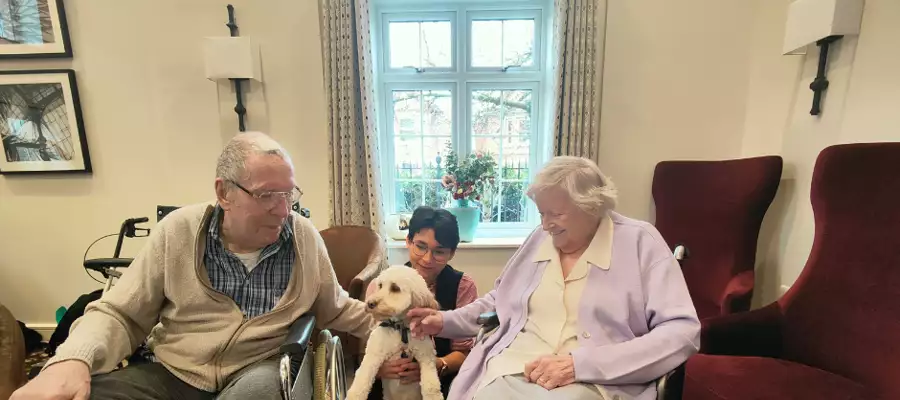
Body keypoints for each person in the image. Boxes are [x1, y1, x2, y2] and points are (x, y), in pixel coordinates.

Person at [11, 132, 375, 400]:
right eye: (267, 195)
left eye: (288, 194)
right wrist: (73, 359)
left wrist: (398, 327)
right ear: (223, 192)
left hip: (256, 368)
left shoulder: (303, 238)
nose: (283, 209)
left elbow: (337, 307)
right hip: (173, 370)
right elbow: (119, 313)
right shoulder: (179, 231)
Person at [407, 156, 701, 400]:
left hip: (595, 380)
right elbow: (499, 304)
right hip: (514, 367)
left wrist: (581, 364)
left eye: (555, 214)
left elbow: (681, 332)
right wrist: (444, 321)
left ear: (592, 206)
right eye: (540, 214)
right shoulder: (539, 238)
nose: (545, 225)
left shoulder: (640, 242)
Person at [365, 206, 478, 398]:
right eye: (421, 246)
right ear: (408, 241)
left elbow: (465, 352)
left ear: (451, 253)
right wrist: (380, 369)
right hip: (389, 385)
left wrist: (437, 365)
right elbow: (368, 349)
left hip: (440, 381)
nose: (427, 259)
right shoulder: (381, 285)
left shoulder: (463, 286)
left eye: (439, 251)